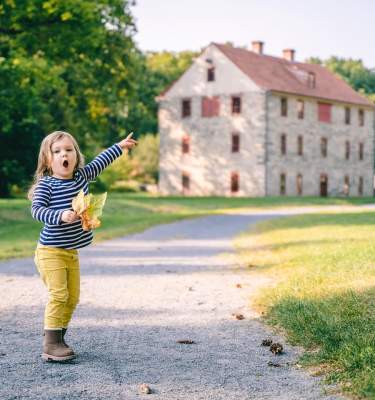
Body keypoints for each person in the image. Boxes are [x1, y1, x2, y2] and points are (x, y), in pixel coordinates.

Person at [28, 130, 137, 362]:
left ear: (76, 155)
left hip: (70, 252)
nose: (63, 155)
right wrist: (60, 215)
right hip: (50, 251)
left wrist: (119, 146)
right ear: (48, 159)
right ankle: (51, 344)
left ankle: (57, 335)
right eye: (56, 151)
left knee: (73, 297)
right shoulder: (46, 185)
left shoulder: (81, 177)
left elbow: (100, 161)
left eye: (68, 150)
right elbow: (37, 210)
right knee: (59, 295)